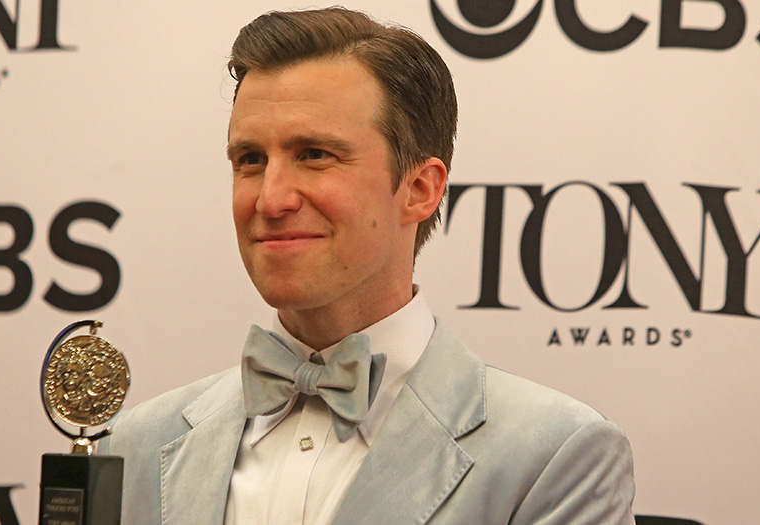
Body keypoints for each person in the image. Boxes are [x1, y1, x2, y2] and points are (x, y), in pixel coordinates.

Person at [101, 7, 635, 524]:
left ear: (420, 189)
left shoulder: (553, 456)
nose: (270, 199)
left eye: (314, 154)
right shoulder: (136, 445)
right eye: (250, 160)